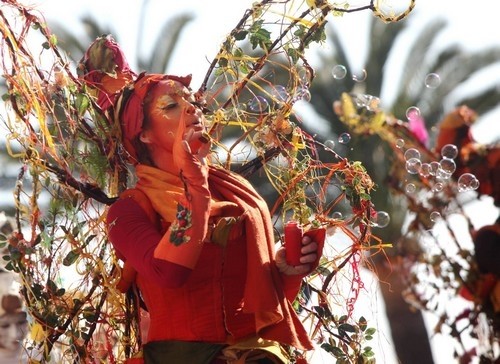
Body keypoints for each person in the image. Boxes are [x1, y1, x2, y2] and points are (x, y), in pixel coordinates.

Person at [81, 35, 324, 363]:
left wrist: (287, 268)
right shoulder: (127, 212)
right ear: (143, 134)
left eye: (190, 101)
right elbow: (169, 272)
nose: (191, 109)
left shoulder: (235, 190)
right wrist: (194, 183)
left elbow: (257, 303)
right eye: (171, 105)